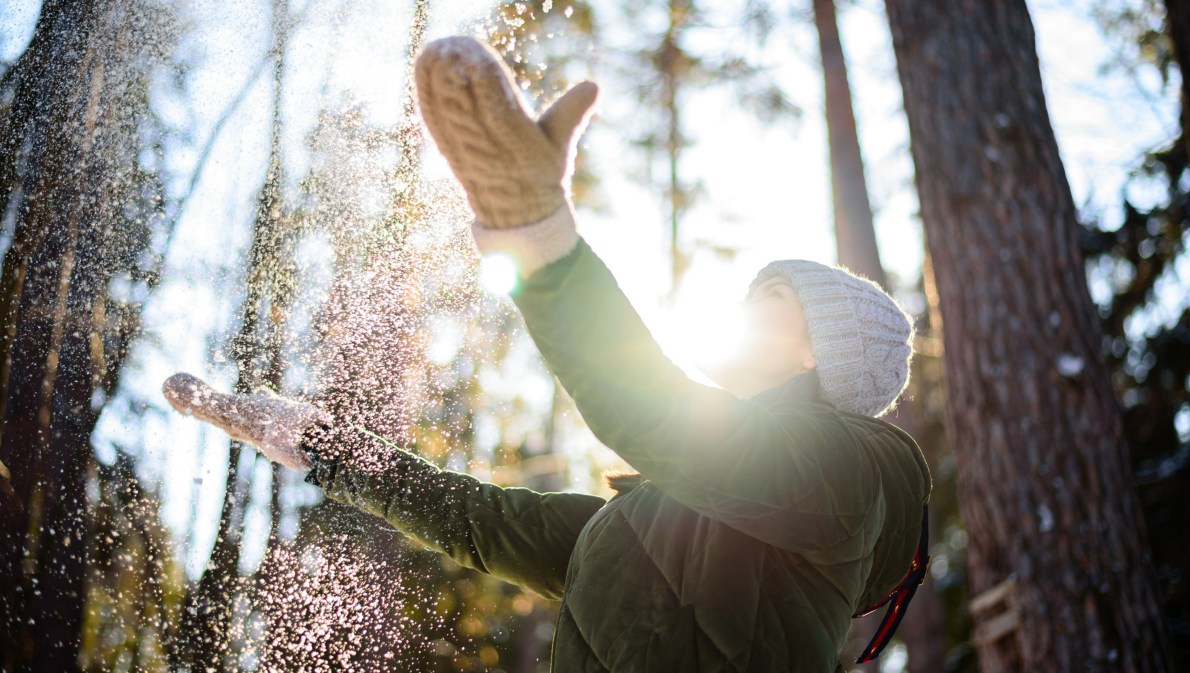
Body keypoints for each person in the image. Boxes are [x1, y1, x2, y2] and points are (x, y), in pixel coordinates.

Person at [162, 36, 932, 673]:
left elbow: (654, 412)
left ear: (816, 359)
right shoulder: (649, 519)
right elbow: (476, 518)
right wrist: (314, 439)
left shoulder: (843, 476)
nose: (740, 309)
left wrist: (538, 237)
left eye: (771, 302)